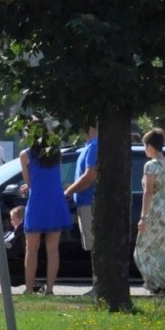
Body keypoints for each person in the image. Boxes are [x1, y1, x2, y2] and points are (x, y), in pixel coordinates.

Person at [19, 135, 71, 294]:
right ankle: (50, 289)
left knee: (31, 248)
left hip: (37, 201)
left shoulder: (25, 154)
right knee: (53, 249)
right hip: (56, 200)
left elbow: (29, 183)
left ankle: (29, 289)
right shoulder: (56, 153)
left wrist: (27, 186)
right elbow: (56, 177)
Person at [135, 128, 165, 295]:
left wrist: (143, 217)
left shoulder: (151, 165)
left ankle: (157, 283)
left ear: (149, 146)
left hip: (156, 211)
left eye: (144, 146)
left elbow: (148, 192)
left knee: (142, 250)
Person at [63, 124, 100, 295]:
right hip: (84, 203)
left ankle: (100, 286)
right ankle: (98, 285)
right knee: (93, 246)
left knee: (96, 247)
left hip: (90, 203)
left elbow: (90, 176)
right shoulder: (89, 146)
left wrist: (68, 192)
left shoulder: (95, 146)